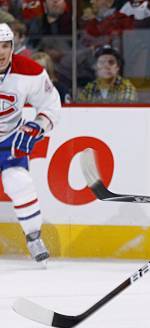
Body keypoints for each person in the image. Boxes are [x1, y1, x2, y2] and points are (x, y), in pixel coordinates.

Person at [0, 23, 61, 264]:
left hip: (9, 137)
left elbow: (51, 106)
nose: (1, 52)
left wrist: (36, 127)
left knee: (19, 181)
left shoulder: (30, 71)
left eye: (6, 46)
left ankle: (34, 237)